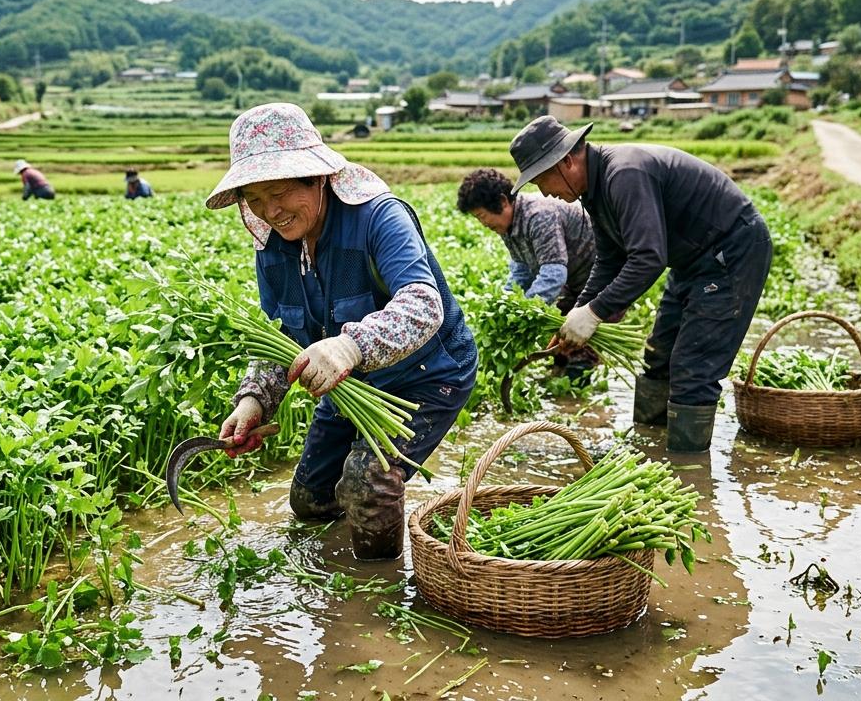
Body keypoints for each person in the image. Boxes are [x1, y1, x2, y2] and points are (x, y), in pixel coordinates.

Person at [206, 102, 477, 561]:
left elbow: (422, 304)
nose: (271, 211)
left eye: (278, 192)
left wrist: (351, 346)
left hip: (428, 375)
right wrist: (254, 400)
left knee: (367, 484)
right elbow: (280, 333)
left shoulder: (378, 216)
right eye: (255, 200)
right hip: (350, 386)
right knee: (310, 501)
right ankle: (333, 570)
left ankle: (379, 582)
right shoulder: (273, 248)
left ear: (316, 177)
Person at [508, 115, 772, 452]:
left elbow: (648, 257)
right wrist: (578, 312)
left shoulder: (624, 174)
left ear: (566, 162)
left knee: (693, 369)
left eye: (542, 180)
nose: (545, 192)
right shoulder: (593, 191)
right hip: (691, 261)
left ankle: (686, 467)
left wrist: (595, 313)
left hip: (731, 252)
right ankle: (649, 451)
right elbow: (609, 260)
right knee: (658, 358)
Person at [456, 167, 599, 378]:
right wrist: (505, 305)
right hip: (573, 280)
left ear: (503, 201)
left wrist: (524, 311)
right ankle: (560, 378)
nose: (483, 223)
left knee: (582, 342)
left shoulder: (539, 215)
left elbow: (554, 273)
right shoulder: (507, 225)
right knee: (561, 340)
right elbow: (521, 269)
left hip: (601, 278)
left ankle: (576, 384)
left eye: (482, 216)